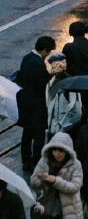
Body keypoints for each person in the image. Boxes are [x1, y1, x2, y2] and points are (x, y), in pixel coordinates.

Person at [16, 35, 55, 172]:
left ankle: (26, 161)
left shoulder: (27, 58)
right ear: (44, 50)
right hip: (36, 104)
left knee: (27, 133)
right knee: (38, 135)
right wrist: (52, 76)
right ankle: (36, 162)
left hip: (25, 102)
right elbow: (41, 83)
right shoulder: (37, 63)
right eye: (48, 52)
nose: (48, 55)